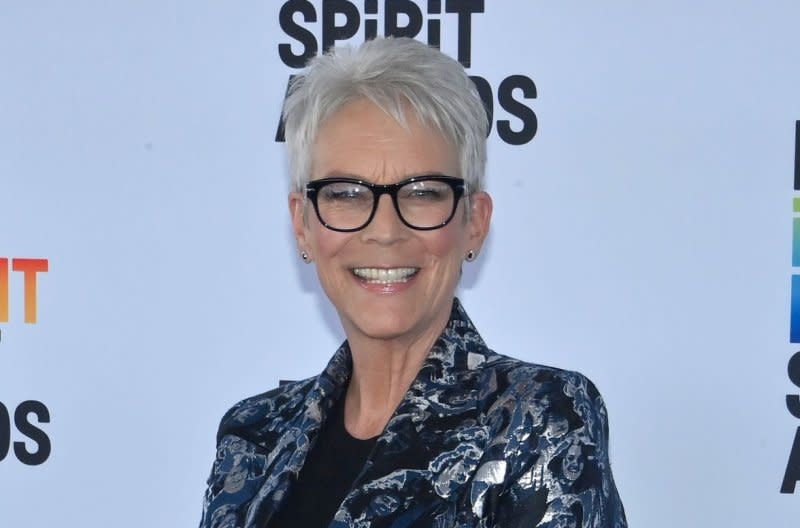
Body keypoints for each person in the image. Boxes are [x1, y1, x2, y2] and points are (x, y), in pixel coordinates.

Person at [199, 37, 627, 528]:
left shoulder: (539, 420)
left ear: (474, 223)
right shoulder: (251, 436)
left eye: (423, 193)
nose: (384, 231)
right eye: (346, 193)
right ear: (303, 224)